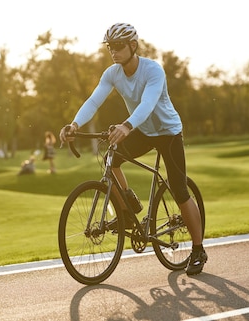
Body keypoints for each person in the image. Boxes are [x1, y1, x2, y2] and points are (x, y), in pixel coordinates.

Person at [59, 23, 207, 276]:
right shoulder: (112, 73)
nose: (113, 52)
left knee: (180, 190)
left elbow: (148, 103)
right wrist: (74, 124)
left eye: (118, 46)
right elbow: (94, 100)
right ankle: (128, 210)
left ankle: (198, 250)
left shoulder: (153, 71)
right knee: (111, 159)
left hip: (168, 132)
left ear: (133, 46)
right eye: (109, 47)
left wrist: (127, 126)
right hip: (145, 131)